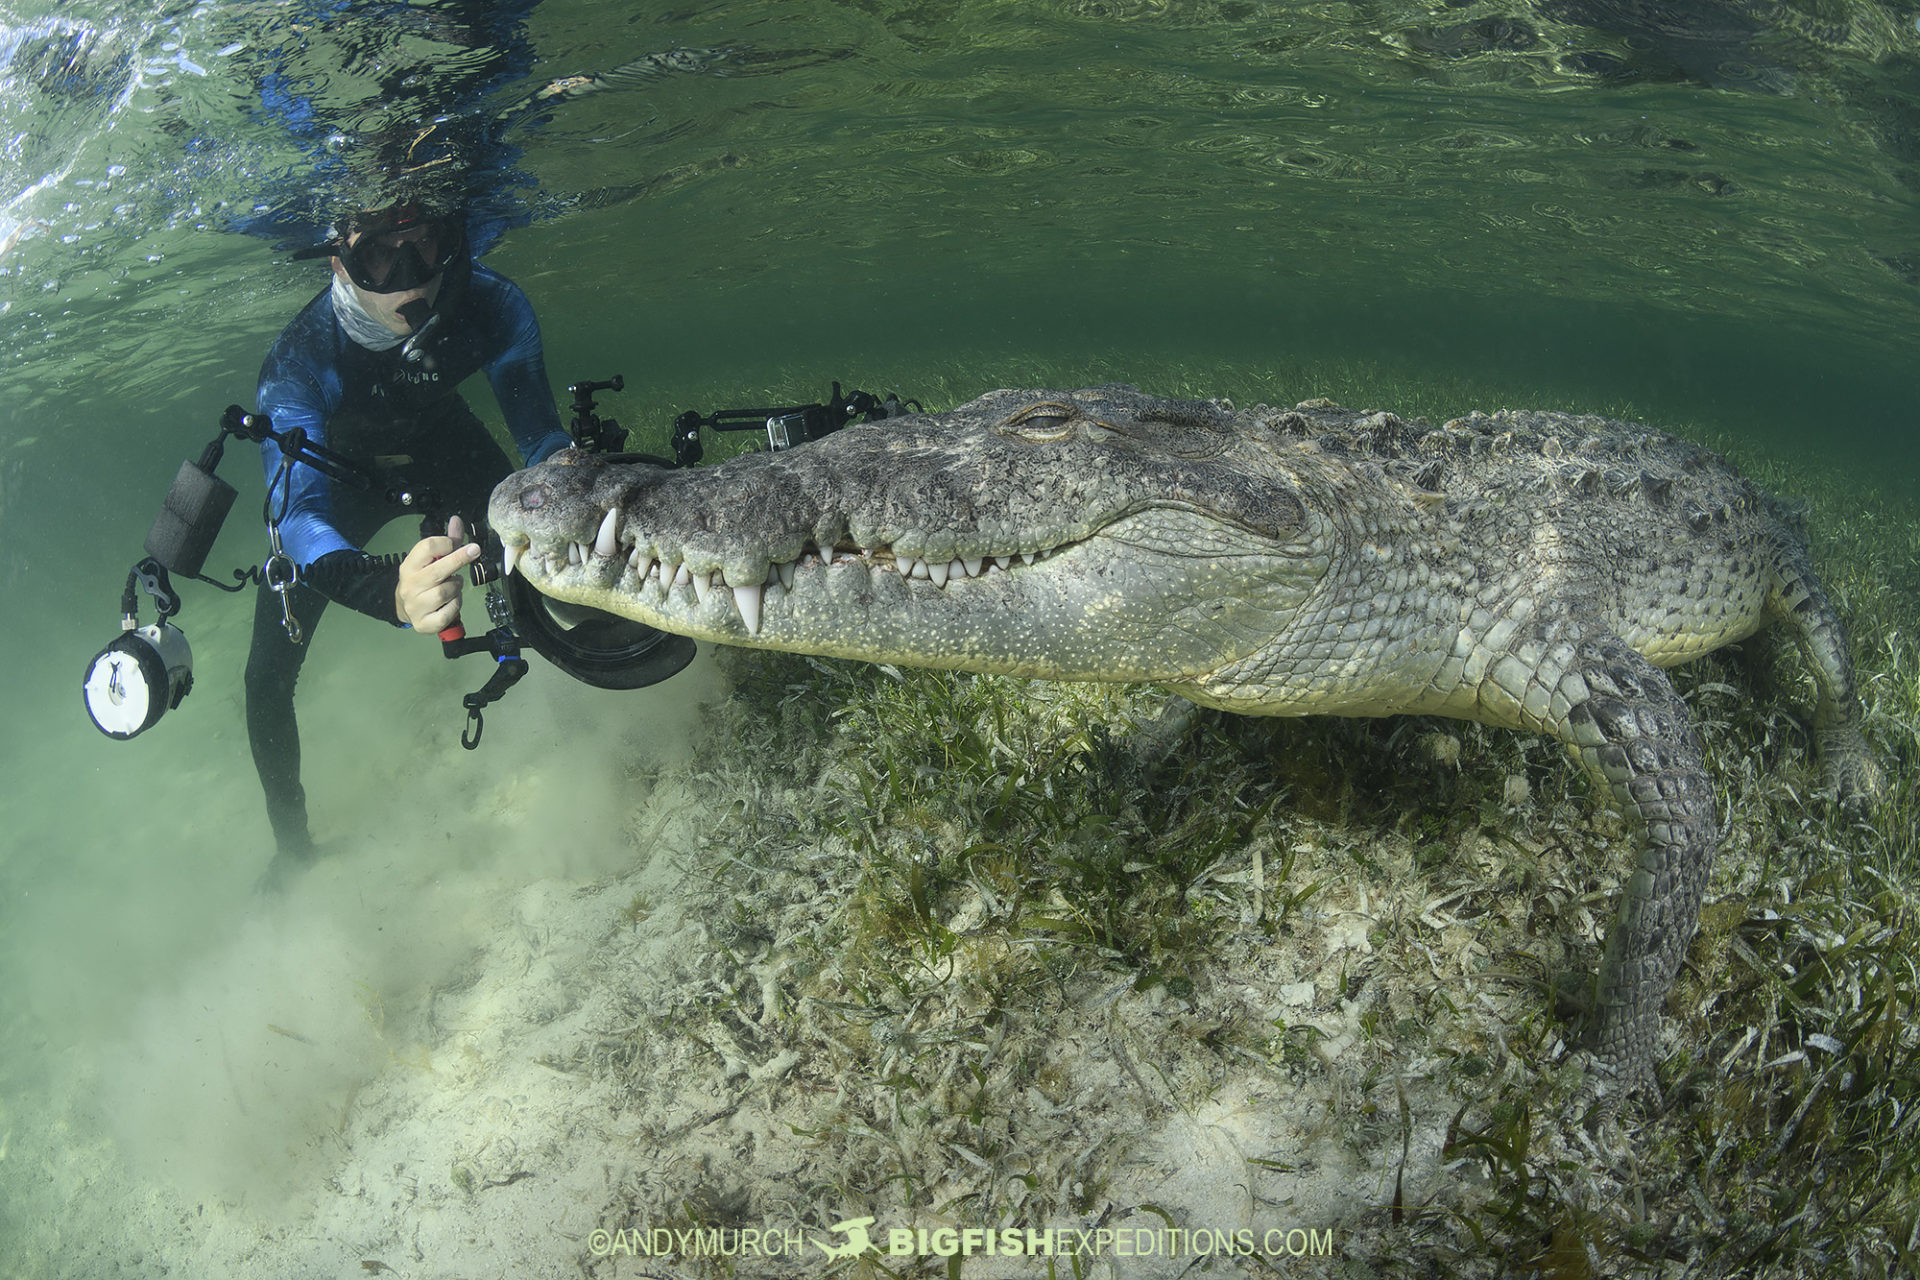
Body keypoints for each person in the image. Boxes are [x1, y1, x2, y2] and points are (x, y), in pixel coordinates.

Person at [246, 199, 572, 889]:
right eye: (379, 257)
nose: (407, 278)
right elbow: (299, 515)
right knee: (266, 677)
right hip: (341, 484)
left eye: (427, 245)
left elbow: (543, 444)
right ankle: (292, 850)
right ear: (337, 259)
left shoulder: (491, 303)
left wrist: (571, 482)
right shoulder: (301, 360)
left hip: (444, 449)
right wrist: (386, 592)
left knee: (542, 564)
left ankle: (587, 702)